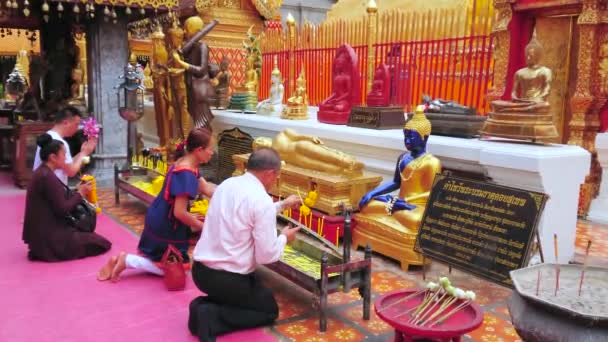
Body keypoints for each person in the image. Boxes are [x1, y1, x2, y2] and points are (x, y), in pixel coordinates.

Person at [188, 148, 301, 342]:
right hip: (228, 279)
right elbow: (266, 256)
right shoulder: (260, 200)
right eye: (277, 176)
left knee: (258, 294)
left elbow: (247, 213)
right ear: (269, 173)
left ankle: (202, 306)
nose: (275, 181)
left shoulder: (227, 185)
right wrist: (283, 237)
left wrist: (282, 205)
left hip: (200, 272)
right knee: (268, 310)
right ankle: (210, 316)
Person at [97, 127, 216, 282]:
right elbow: (179, 213)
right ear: (199, 150)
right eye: (210, 149)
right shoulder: (186, 173)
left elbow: (207, 189)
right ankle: (126, 260)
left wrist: (231, 197)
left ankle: (126, 260)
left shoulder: (187, 162)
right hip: (165, 223)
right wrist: (204, 227)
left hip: (159, 213)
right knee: (176, 267)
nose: (212, 153)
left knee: (173, 262)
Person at [22, 134, 111, 261]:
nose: (66, 158)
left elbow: (55, 198)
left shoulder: (43, 172)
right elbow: (63, 209)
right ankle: (49, 251)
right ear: (53, 157)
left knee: (91, 238)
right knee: (101, 243)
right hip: (49, 238)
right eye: (64, 154)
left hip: (41, 235)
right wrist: (81, 193)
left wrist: (76, 190)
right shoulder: (46, 177)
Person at [33, 106, 97, 185]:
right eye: (76, 124)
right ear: (66, 123)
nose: (77, 129)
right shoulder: (59, 142)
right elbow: (71, 171)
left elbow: (66, 164)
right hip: (51, 188)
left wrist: (82, 152)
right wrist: (84, 153)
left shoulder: (49, 136)